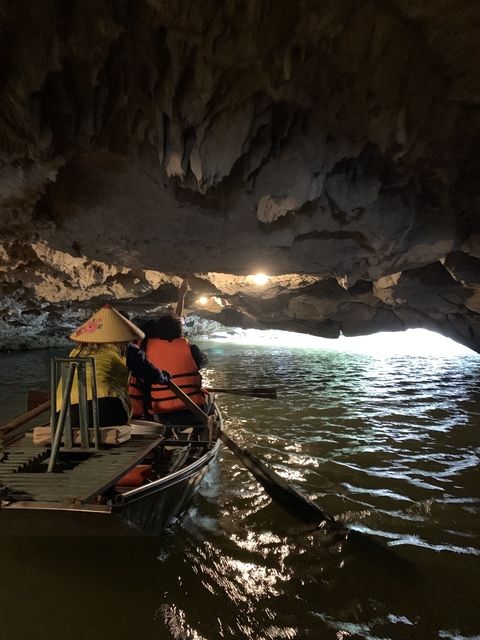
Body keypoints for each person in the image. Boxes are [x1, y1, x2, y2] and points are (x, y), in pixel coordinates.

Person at [57, 304, 171, 427]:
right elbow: (151, 374)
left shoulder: (78, 350)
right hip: (105, 406)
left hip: (64, 411)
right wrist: (164, 377)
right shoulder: (127, 349)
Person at [128, 289, 209, 421]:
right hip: (193, 409)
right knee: (208, 399)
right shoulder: (192, 349)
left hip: (161, 410)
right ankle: (197, 434)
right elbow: (202, 363)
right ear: (180, 331)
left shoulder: (146, 351)